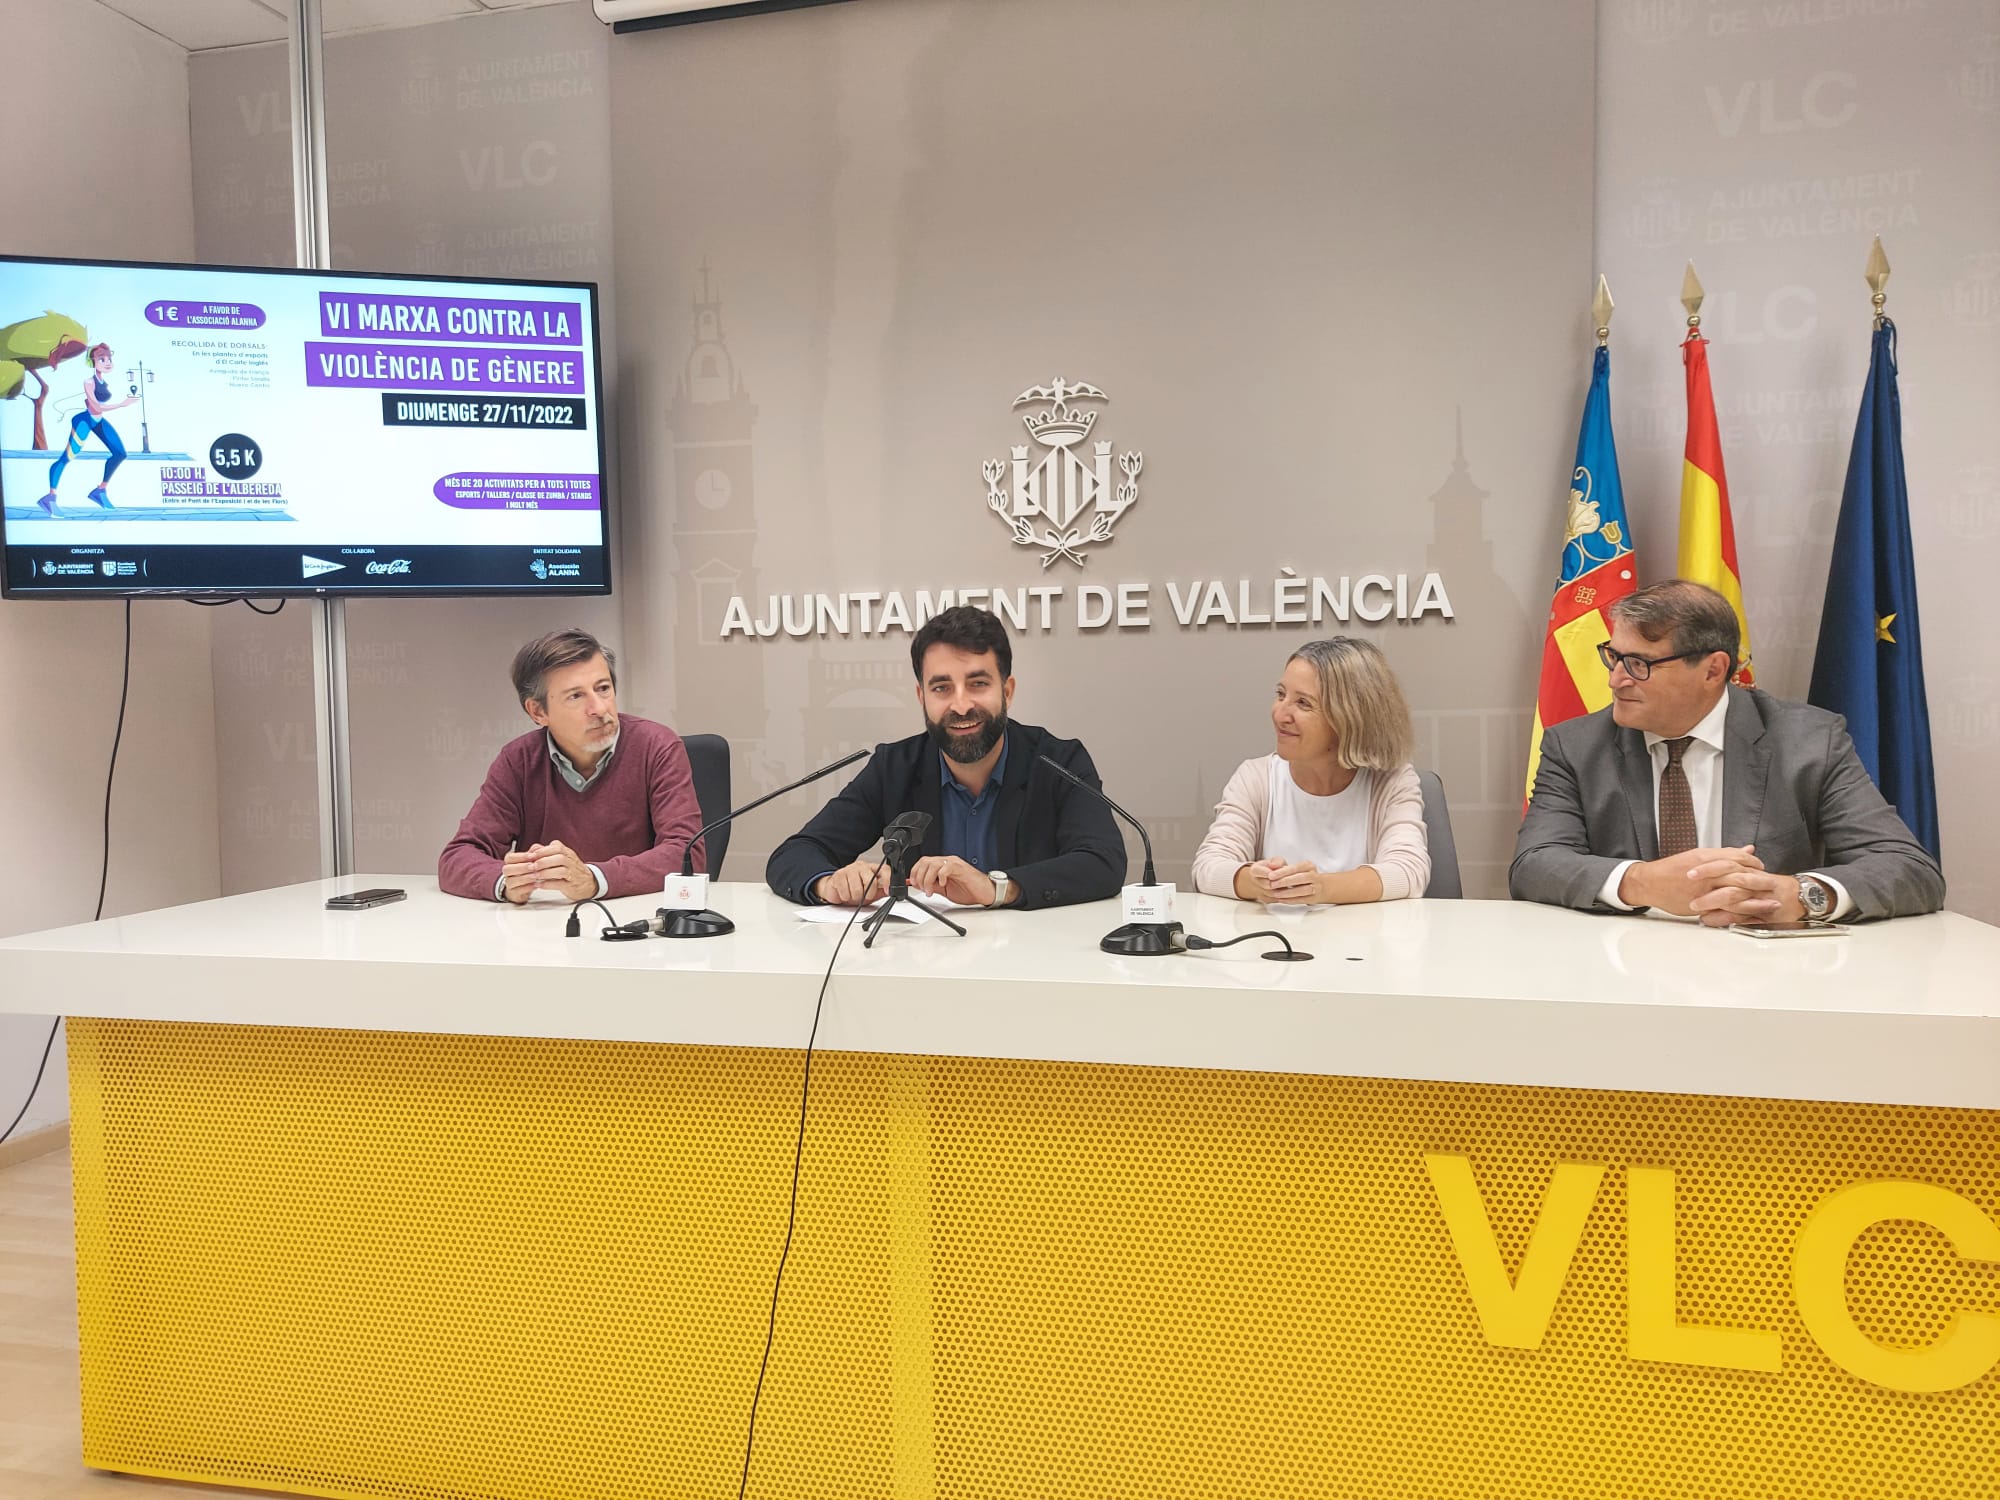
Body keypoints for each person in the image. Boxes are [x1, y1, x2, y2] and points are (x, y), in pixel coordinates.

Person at [1511, 579, 1943, 924]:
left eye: (1640, 664)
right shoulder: (1576, 745)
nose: (1616, 680)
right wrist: (1641, 882)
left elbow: (1911, 869)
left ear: (1713, 669)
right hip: (1621, 969)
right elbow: (1534, 865)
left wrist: (1800, 894)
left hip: (1766, 979)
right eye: (1614, 657)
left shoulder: (1808, 740)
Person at [766, 605, 1125, 909]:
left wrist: (997, 887)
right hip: (924, 966)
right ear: (922, 697)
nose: (961, 704)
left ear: (1008, 691)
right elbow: (794, 854)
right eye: (942, 688)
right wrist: (828, 884)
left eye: (978, 684)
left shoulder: (1058, 761)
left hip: (1035, 964)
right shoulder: (894, 767)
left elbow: (1103, 863)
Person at [439, 628, 706, 902]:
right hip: (544, 929)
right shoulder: (518, 761)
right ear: (538, 712)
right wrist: (504, 881)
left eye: (603, 689)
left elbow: (687, 853)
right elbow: (457, 857)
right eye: (576, 696)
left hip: (636, 922)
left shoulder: (657, 746)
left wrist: (593, 879)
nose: (599, 708)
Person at [1192, 637, 1430, 904]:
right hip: (1275, 943)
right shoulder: (1255, 778)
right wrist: (1254, 882)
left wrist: (1320, 889)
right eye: (1281, 695)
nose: (1280, 714)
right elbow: (1208, 867)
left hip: (1365, 944)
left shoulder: (1393, 781)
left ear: (1350, 718)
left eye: (1303, 703)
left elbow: (1408, 872)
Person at [41, 343, 135, 514]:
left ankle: (100, 491)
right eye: (102, 359)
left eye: (109, 359)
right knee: (67, 458)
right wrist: (122, 404)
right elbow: (96, 406)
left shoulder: (103, 382)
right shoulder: (89, 382)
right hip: (84, 422)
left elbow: (98, 411)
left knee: (120, 453)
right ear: (93, 361)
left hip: (98, 421)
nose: (107, 362)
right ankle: (50, 498)